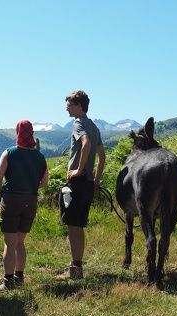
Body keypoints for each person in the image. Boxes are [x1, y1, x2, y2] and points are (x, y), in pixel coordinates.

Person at [0, 120, 49, 291]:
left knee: (9, 243)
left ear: (18, 132)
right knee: (20, 242)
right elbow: (45, 183)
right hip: (30, 201)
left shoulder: (9, 153)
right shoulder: (40, 157)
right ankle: (20, 277)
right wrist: (31, 186)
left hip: (11, 199)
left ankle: (8, 281)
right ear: (31, 133)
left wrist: (0, 191)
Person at [58, 90, 105, 280]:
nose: (66, 107)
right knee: (79, 226)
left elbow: (85, 145)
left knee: (73, 227)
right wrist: (96, 180)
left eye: (69, 104)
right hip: (88, 184)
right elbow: (102, 156)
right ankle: (77, 268)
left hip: (77, 182)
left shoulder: (79, 123)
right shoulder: (94, 126)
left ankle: (74, 272)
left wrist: (77, 170)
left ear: (78, 105)